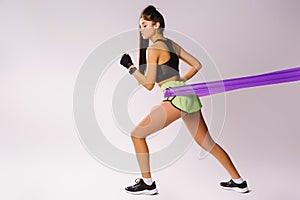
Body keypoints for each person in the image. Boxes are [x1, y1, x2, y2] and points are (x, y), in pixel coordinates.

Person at [120, 5, 249, 195]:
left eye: (145, 24)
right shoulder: (171, 44)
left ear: (156, 25)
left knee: (137, 135)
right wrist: (182, 81)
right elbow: (197, 64)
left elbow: (148, 84)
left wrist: (130, 67)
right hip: (188, 95)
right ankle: (239, 182)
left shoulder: (154, 49)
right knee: (207, 143)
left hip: (175, 99)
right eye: (140, 25)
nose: (141, 29)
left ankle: (147, 183)